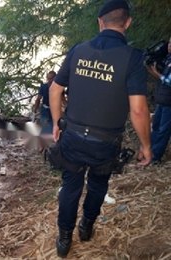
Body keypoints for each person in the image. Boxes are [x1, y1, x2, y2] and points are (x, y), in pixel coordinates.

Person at [49, 0, 152, 257]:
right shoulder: (133, 58)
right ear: (127, 23)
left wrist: (55, 123)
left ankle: (64, 238)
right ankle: (86, 226)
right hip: (105, 143)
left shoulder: (78, 50)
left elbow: (55, 89)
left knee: (70, 186)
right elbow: (138, 109)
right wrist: (146, 146)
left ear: (100, 22)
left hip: (72, 136)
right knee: (97, 185)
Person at [147, 37, 171, 164]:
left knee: (163, 130)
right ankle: (150, 151)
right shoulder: (168, 59)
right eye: (170, 43)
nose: (169, 46)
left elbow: (168, 81)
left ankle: (155, 157)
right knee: (156, 126)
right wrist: (152, 70)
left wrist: (156, 73)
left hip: (169, 103)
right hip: (162, 100)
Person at [33, 71, 57, 152]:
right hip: (45, 109)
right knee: (45, 126)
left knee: (53, 127)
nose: (49, 80)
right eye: (48, 78)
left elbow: (62, 99)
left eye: (51, 78)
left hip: (54, 110)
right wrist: (35, 110)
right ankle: (41, 146)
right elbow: (38, 99)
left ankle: (48, 145)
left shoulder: (58, 87)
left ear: (55, 78)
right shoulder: (44, 87)